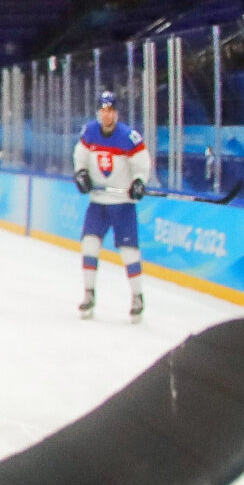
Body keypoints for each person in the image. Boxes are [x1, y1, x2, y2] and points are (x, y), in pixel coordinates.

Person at [71, 91, 150, 320]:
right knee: (89, 245)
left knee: (128, 252)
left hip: (122, 204)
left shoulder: (129, 137)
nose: (106, 115)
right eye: (103, 110)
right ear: (98, 112)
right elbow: (80, 157)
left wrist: (139, 182)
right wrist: (81, 173)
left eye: (110, 111)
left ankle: (137, 296)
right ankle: (89, 294)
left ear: (116, 113)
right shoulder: (89, 132)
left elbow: (142, 165)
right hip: (98, 202)